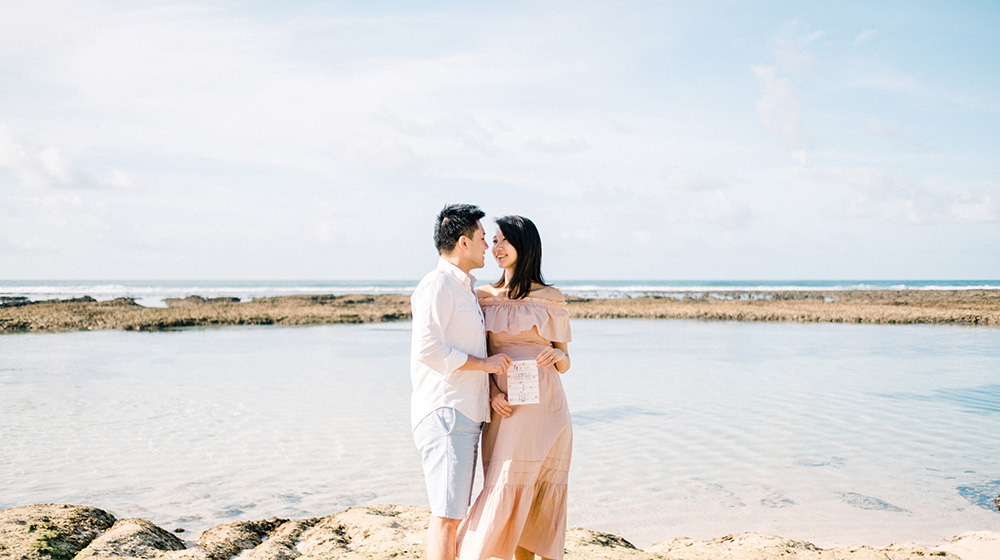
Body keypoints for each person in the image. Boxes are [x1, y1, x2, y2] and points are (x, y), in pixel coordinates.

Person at [457, 215, 572, 560]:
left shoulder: (551, 297)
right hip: (506, 408)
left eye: (504, 240)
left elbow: (565, 362)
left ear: (525, 246)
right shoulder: (483, 296)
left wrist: (554, 354)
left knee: (538, 494)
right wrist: (492, 395)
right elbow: (480, 356)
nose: (496, 248)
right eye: (493, 240)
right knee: (504, 484)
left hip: (547, 410)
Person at [411, 203, 513, 560]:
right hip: (446, 413)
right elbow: (428, 349)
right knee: (447, 516)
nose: (488, 246)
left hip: (464, 414)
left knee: (452, 514)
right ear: (463, 242)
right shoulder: (437, 285)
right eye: (483, 238)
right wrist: (484, 366)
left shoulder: (465, 289)